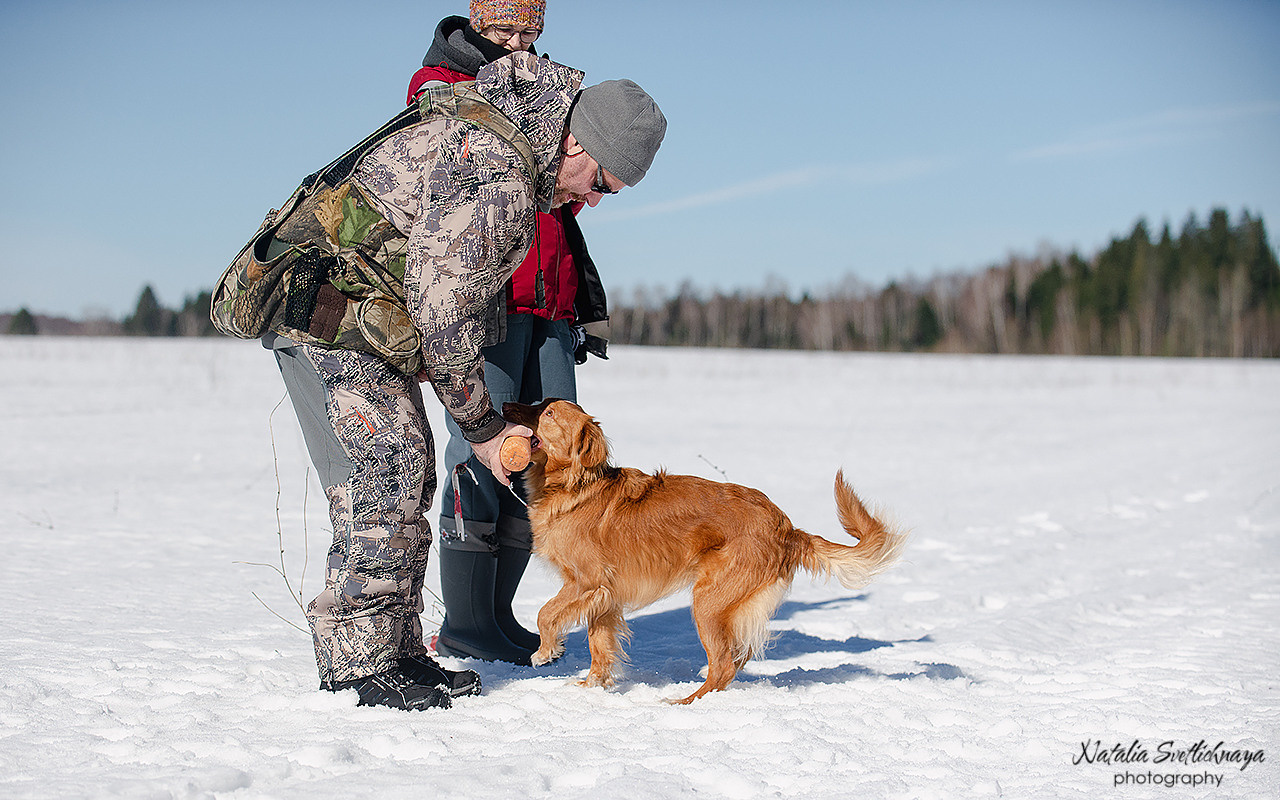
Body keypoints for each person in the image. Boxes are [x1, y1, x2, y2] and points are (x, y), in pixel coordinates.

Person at [232, 50, 665, 712]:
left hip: (367, 318)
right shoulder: (499, 171)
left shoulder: (513, 142)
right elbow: (446, 314)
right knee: (385, 468)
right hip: (323, 308)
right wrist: (487, 432)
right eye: (600, 182)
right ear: (576, 141)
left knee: (409, 468)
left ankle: (396, 652)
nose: (591, 200)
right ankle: (360, 665)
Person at [406, 1, 608, 666]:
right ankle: (466, 622)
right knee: (483, 455)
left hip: (550, 301)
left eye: (529, 32)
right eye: (503, 31)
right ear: (475, 23)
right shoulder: (443, 84)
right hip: (485, 303)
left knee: (549, 462)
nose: (517, 44)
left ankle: (499, 614)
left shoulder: (550, 92)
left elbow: (567, 191)